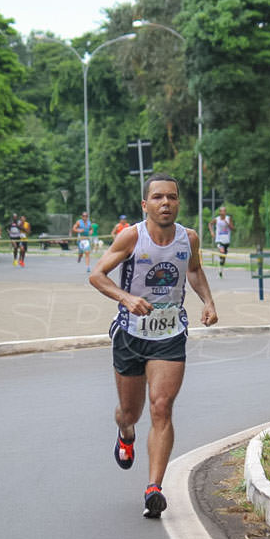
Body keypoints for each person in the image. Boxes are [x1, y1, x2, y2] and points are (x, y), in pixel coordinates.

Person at [89, 173, 218, 518]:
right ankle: (125, 432)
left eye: (172, 197)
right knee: (130, 412)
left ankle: (153, 489)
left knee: (161, 407)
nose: (166, 203)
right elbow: (97, 275)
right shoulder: (132, 236)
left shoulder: (188, 238)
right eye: (158, 197)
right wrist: (126, 297)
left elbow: (193, 271)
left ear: (178, 202)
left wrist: (208, 301)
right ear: (145, 205)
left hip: (169, 333)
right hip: (131, 334)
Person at [208, 207, 235, 278]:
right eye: (222, 211)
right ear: (220, 212)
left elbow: (232, 228)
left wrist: (228, 224)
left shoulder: (228, 219)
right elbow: (210, 224)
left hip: (226, 240)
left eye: (224, 211)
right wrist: (212, 232)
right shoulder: (217, 219)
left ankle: (220, 270)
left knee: (223, 258)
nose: (223, 213)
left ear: (225, 212)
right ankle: (220, 257)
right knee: (222, 252)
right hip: (219, 240)